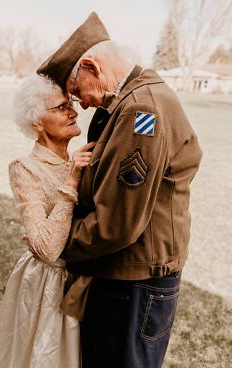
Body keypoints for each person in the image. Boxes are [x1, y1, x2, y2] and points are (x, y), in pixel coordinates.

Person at [36, 12, 203, 367]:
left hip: (133, 283)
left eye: (76, 90)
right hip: (130, 278)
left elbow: (116, 223)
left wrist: (58, 242)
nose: (80, 104)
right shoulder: (132, 102)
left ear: (92, 66)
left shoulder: (142, 110)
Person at [0, 74, 93, 368]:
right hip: (47, 286)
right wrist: (70, 181)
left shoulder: (81, 159)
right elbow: (46, 247)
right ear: (37, 123)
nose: (73, 111)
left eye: (70, 104)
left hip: (84, 282)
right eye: (60, 108)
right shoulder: (24, 169)